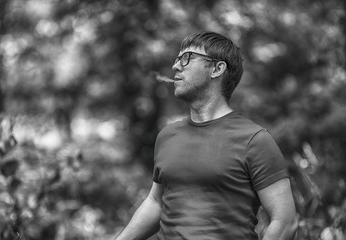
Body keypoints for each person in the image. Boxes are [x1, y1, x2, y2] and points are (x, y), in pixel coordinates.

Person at [115, 31, 298, 240]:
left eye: (187, 58)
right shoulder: (167, 136)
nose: (176, 66)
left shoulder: (255, 140)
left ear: (217, 68)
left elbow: (285, 222)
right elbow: (156, 202)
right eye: (177, 59)